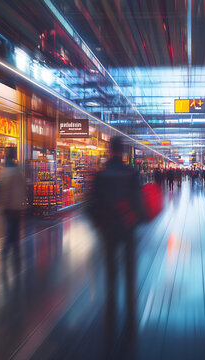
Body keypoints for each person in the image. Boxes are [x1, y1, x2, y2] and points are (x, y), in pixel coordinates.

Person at [88, 137, 143, 358]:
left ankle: (111, 304)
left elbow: (92, 202)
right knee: (129, 264)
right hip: (127, 226)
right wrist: (136, 220)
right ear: (124, 151)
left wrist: (99, 224)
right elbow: (138, 201)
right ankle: (130, 304)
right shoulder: (131, 173)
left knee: (111, 266)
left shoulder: (101, 175)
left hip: (109, 229)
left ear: (109, 150)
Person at [0, 147, 26, 275]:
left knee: (10, 231)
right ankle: (17, 253)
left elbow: (4, 192)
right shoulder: (19, 171)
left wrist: (2, 207)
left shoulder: (5, 172)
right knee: (15, 230)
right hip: (17, 206)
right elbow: (23, 189)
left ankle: (5, 254)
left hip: (9, 207)